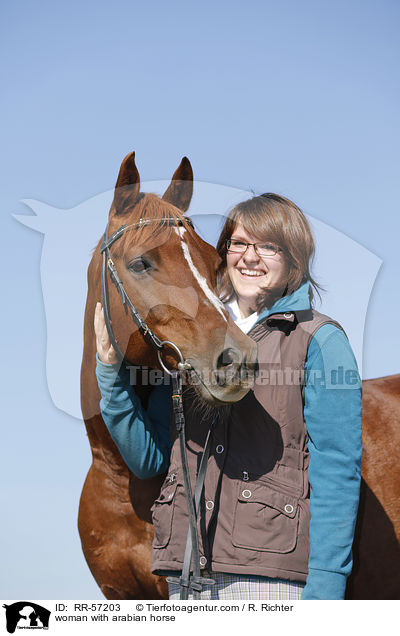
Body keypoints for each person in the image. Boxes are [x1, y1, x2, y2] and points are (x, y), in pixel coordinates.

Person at [94, 193, 362, 600]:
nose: (250, 257)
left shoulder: (319, 339)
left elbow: (337, 472)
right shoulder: (195, 342)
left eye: (268, 246)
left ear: (293, 258)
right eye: (239, 243)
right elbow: (150, 460)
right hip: (186, 578)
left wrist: (325, 591)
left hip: (266, 579)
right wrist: (110, 371)